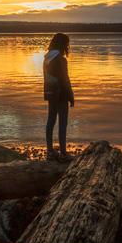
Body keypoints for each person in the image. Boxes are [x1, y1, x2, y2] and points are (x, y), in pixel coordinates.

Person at [43, 32, 75, 161]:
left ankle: (50, 151)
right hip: (61, 94)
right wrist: (71, 96)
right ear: (62, 44)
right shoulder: (61, 59)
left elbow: (46, 78)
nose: (68, 46)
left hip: (51, 94)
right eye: (67, 44)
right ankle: (63, 153)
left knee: (50, 121)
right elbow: (65, 80)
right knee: (62, 123)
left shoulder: (47, 58)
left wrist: (48, 93)